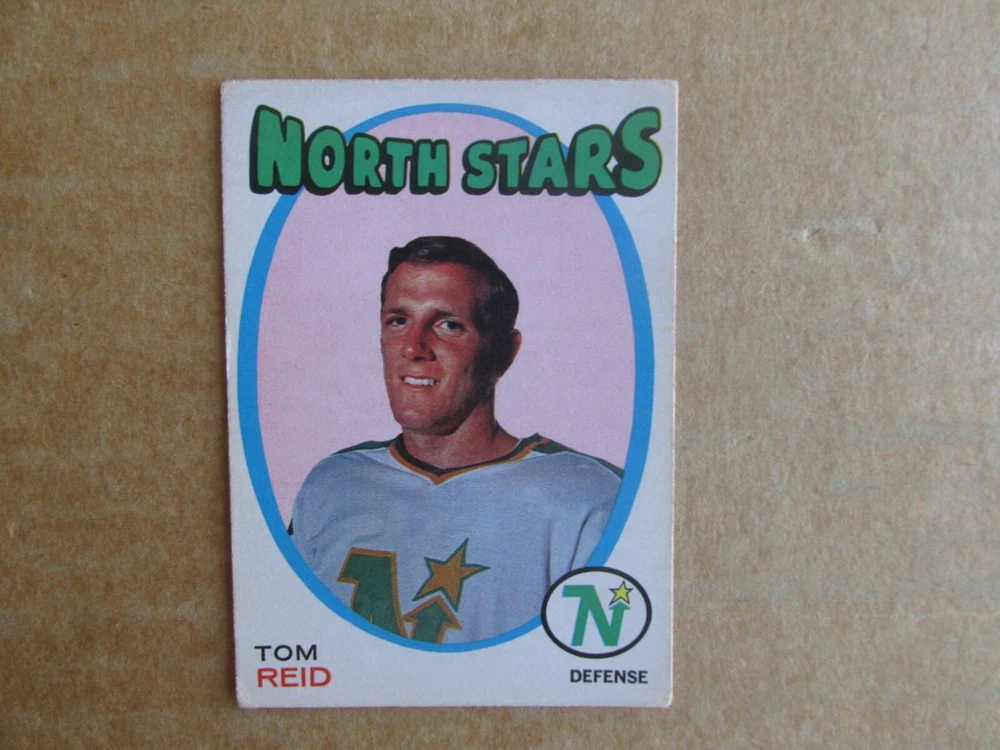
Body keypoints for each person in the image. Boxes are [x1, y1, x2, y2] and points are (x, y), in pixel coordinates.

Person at [291, 236, 621, 644]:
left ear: (503, 352)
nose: (413, 347)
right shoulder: (332, 483)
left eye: (448, 325)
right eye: (398, 321)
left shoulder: (589, 498)